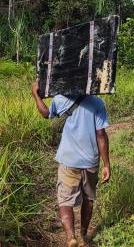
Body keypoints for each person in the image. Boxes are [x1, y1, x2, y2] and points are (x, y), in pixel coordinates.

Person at [31, 82, 111, 247]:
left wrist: (36, 95)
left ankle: (70, 238)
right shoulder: (97, 102)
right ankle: (83, 235)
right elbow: (101, 135)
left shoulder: (60, 99)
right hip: (90, 160)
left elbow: (45, 113)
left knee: (65, 199)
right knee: (88, 198)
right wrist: (106, 164)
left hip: (68, 159)